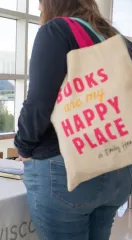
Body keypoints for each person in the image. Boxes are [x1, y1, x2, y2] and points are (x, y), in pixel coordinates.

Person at [14, 0, 132, 239]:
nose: (38, 9)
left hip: (65, 171)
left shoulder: (56, 31)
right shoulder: (121, 42)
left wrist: (23, 147)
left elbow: (38, 102)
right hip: (116, 169)